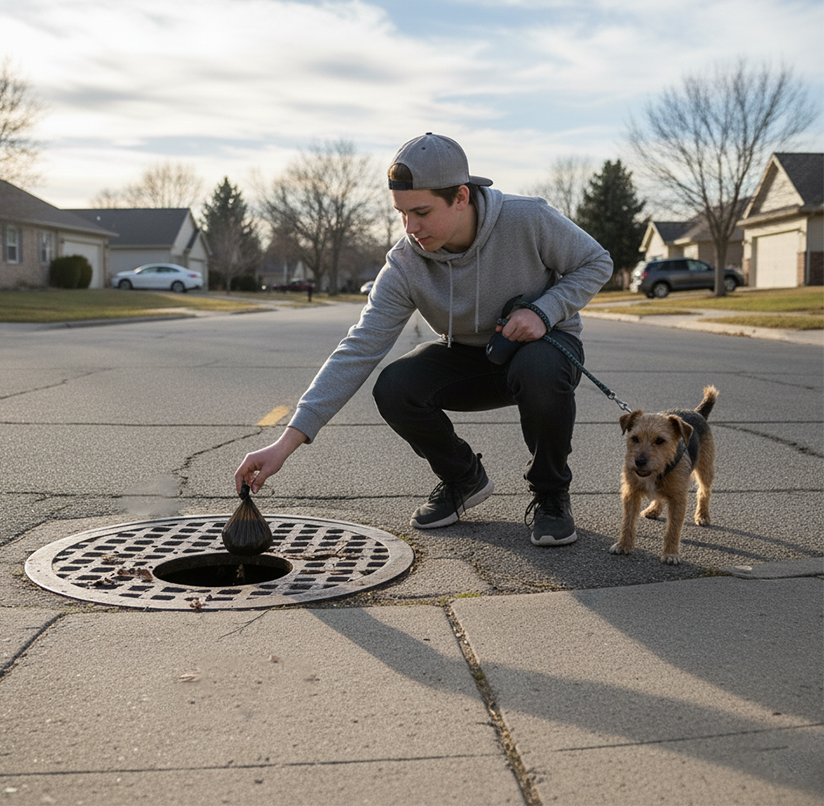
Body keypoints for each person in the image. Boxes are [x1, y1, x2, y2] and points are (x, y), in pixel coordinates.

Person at [235, 133, 613, 546]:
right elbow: (359, 348)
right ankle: (463, 478)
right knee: (395, 386)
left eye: (421, 212)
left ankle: (551, 494)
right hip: (471, 358)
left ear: (461, 197)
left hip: (545, 350)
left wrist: (545, 310)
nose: (411, 228)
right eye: (401, 214)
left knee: (538, 366)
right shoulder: (405, 264)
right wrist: (285, 442)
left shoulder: (527, 219)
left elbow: (596, 261)